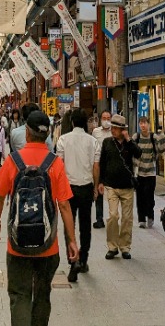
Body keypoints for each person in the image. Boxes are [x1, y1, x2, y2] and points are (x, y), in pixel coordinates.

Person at [0, 110, 78, 326]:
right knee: (42, 296)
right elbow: (65, 205)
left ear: (27, 133)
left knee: (20, 295)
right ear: (47, 135)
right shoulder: (55, 163)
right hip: (48, 245)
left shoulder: (13, 161)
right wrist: (71, 240)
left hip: (18, 243)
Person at [56, 108, 100, 283]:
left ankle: (72, 260)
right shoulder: (93, 141)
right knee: (85, 224)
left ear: (72, 122)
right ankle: (84, 259)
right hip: (86, 187)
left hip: (68, 187)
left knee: (69, 224)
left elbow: (59, 164)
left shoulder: (63, 140)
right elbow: (96, 167)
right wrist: (96, 187)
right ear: (86, 123)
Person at [98, 114, 141, 260]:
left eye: (116, 128)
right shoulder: (107, 142)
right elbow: (102, 162)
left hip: (127, 186)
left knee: (127, 218)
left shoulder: (129, 143)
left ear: (122, 130)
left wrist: (128, 139)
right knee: (113, 216)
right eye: (112, 127)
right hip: (111, 185)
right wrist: (100, 182)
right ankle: (112, 246)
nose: (112, 130)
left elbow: (138, 153)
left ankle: (125, 247)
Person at [134, 116, 165, 229]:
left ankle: (150, 216)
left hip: (151, 172)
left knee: (149, 197)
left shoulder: (153, 137)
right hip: (139, 173)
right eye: (140, 123)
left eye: (144, 123)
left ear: (148, 124)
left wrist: (161, 136)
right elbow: (131, 150)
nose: (142, 125)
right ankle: (141, 219)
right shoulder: (136, 137)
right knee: (140, 197)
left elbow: (161, 150)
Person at [91, 110, 112, 228]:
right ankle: (99, 219)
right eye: (104, 118)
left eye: (108, 118)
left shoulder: (114, 132)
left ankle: (113, 217)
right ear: (100, 119)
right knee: (99, 192)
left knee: (112, 192)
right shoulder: (95, 132)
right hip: (99, 165)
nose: (106, 120)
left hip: (111, 165)